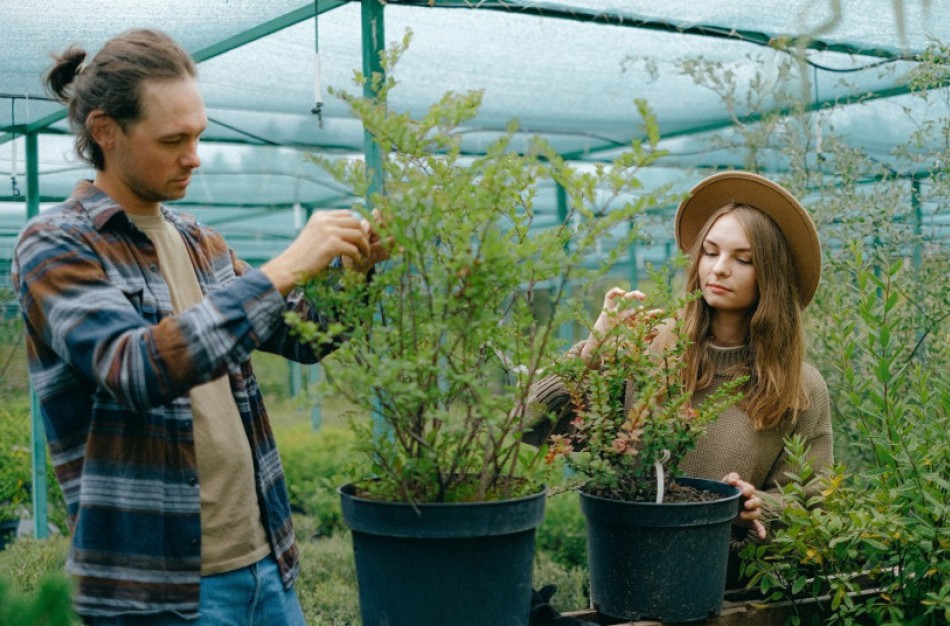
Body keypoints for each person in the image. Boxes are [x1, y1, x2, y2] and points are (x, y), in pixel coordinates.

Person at [11, 29, 385, 625]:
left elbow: (305, 339)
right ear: (105, 131)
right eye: (173, 139)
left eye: (198, 136)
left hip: (267, 568)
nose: (194, 156)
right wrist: (285, 266)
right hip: (158, 591)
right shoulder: (56, 244)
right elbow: (135, 368)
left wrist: (354, 278)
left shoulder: (199, 240)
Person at [524, 171, 833, 570]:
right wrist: (591, 353)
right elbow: (526, 422)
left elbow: (816, 502)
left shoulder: (799, 386)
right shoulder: (647, 349)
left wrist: (761, 507)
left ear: (771, 276)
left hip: (732, 591)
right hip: (626, 572)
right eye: (709, 251)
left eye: (743, 259)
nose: (719, 268)